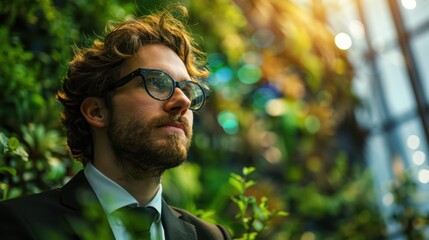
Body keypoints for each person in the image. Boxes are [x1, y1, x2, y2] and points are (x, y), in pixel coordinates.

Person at [0, 4, 231, 240]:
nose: (182, 101)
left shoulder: (213, 237)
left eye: (188, 90)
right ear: (97, 111)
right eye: (157, 82)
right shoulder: (20, 226)